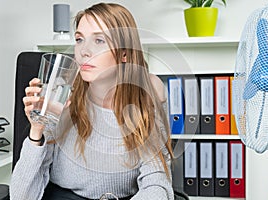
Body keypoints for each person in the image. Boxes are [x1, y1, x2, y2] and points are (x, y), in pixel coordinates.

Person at [10, 2, 174, 200]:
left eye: (99, 41)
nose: (83, 51)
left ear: (124, 53)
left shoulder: (146, 100)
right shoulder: (60, 95)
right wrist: (37, 131)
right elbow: (21, 196)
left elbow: (157, 185)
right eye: (79, 39)